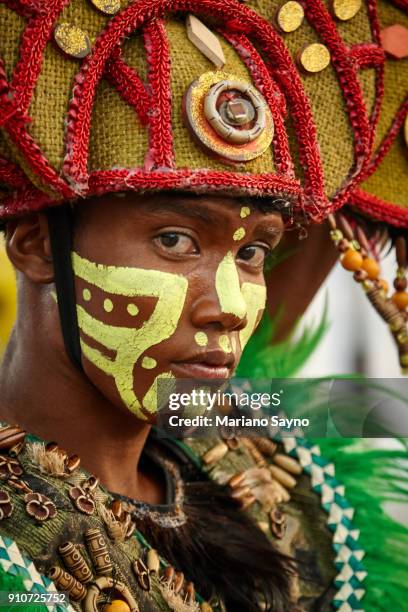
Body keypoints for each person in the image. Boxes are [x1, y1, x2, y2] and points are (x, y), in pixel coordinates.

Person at [0, 1, 406, 611]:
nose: (231, 308)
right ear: (34, 246)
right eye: (174, 241)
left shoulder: (291, 493)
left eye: (251, 255)